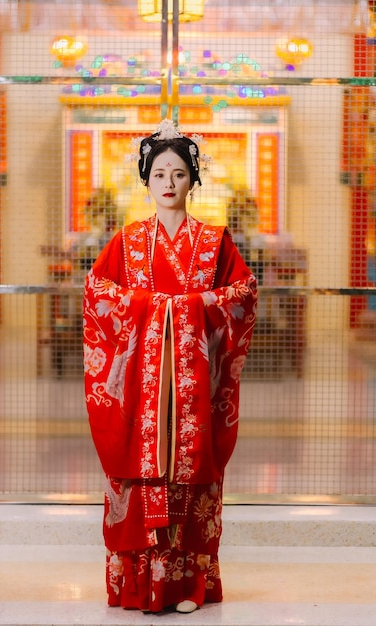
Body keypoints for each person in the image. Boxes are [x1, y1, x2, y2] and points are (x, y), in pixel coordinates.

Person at [83, 119, 257, 614]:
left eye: (179, 173)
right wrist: (153, 307)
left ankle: (188, 584)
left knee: (192, 471)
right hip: (141, 381)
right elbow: (98, 292)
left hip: (192, 383)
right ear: (146, 179)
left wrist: (193, 305)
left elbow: (243, 293)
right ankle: (139, 582)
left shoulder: (214, 239)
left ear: (192, 180)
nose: (168, 183)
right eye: (159, 173)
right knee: (140, 470)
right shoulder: (128, 240)